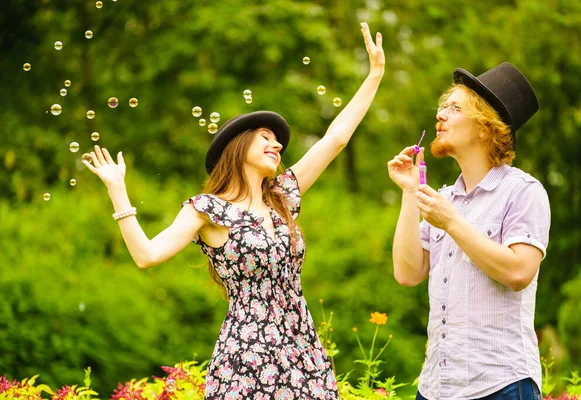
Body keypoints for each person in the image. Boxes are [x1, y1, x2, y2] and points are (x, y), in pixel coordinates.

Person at [83, 22, 384, 399]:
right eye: (266, 139)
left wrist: (374, 75)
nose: (277, 146)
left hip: (303, 350)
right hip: (246, 359)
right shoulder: (208, 210)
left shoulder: (282, 198)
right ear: (240, 147)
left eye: (279, 143)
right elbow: (147, 255)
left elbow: (335, 140)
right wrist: (118, 190)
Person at [388, 62, 550, 400]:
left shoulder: (523, 192)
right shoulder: (445, 199)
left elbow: (519, 271)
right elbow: (407, 272)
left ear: (484, 127)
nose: (440, 116)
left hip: (500, 385)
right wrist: (408, 191)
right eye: (442, 107)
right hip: (436, 388)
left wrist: (452, 224)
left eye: (454, 108)